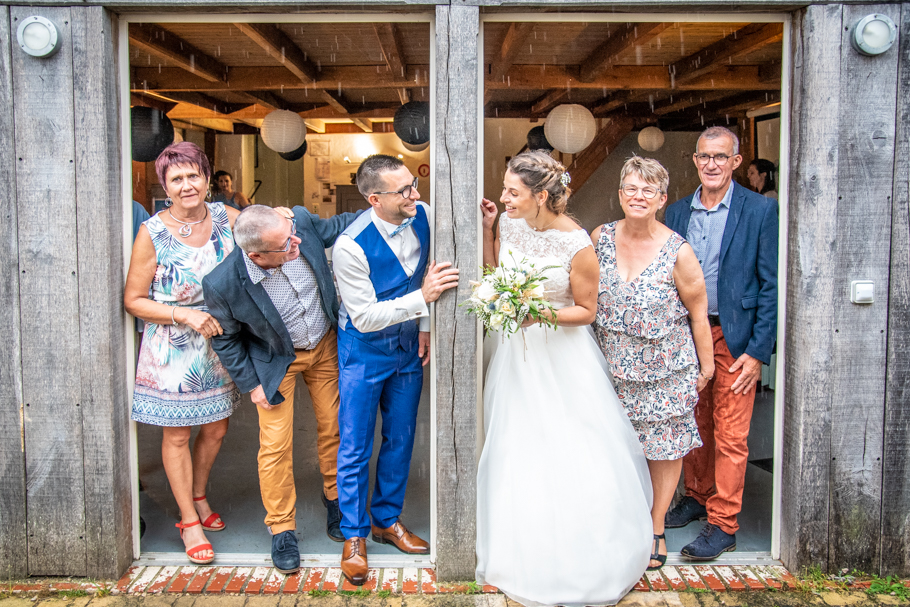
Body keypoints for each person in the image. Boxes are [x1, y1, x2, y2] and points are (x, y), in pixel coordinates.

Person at [476, 151, 654, 607]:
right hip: (516, 355)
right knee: (519, 446)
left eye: (512, 192)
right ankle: (520, 545)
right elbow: (497, 270)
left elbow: (586, 311)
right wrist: (487, 230)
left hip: (562, 360)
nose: (503, 198)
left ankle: (582, 554)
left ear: (540, 196)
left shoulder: (578, 246)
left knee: (570, 448)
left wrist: (536, 312)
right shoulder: (512, 222)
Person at [203, 204, 362, 574]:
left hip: (323, 346)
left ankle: (334, 497)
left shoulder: (296, 225)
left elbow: (343, 223)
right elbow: (226, 341)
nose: (296, 244)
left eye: (292, 237)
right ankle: (282, 527)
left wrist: (395, 204)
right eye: (285, 246)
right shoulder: (222, 283)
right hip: (276, 363)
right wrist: (251, 384)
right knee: (275, 445)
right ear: (255, 254)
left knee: (334, 426)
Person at [331, 155, 459, 585]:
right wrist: (423, 300)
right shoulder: (350, 246)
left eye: (413, 185)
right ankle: (354, 534)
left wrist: (423, 326)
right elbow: (365, 317)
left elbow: (427, 274)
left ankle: (387, 520)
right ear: (374, 198)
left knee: (401, 438)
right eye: (404, 190)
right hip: (363, 351)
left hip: (407, 348)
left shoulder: (421, 214)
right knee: (355, 445)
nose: (416, 194)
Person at [592, 156, 715, 570]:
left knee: (663, 452)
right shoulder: (601, 238)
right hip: (610, 370)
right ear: (621, 194)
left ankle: (655, 527)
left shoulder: (678, 250)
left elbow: (699, 313)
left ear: (661, 199)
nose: (638, 196)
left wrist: (707, 366)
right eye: (631, 187)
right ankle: (618, 526)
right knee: (615, 450)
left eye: (648, 190)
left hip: (665, 370)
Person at [664, 126, 778, 560]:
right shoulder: (676, 213)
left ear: (734, 161)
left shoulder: (761, 211)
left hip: (736, 337)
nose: (711, 164)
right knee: (694, 424)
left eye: (721, 157)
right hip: (688, 335)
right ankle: (696, 496)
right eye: (704, 157)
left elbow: (770, 286)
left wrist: (757, 352)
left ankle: (724, 523)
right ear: (695, 161)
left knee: (731, 433)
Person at [124, 141, 241, 565]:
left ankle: (197, 494)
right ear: (165, 186)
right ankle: (189, 520)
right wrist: (184, 316)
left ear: (208, 180)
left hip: (219, 346)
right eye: (177, 178)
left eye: (194, 175)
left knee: (216, 430)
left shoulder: (229, 218)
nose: (187, 184)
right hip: (172, 346)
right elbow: (134, 300)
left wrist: (287, 218)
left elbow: (268, 234)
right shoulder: (151, 232)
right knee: (177, 434)